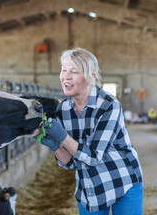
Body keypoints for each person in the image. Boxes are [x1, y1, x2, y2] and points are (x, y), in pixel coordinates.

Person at [38, 48, 143, 215]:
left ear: (91, 77)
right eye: (64, 70)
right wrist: (56, 147)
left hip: (122, 181)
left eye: (74, 71)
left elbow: (93, 157)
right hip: (89, 187)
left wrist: (62, 137)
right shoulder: (63, 109)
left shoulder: (109, 105)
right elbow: (72, 163)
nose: (66, 76)